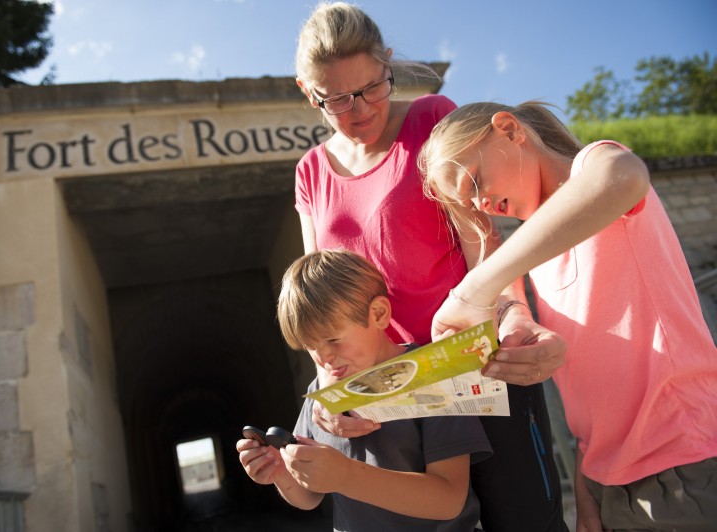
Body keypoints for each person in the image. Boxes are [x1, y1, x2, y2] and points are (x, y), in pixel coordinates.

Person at [292, 3, 569, 530]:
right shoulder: (310, 173)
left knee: (526, 520)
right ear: (310, 94)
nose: (363, 108)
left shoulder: (432, 118)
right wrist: (329, 392)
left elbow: (483, 242)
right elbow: (318, 303)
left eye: (375, 86)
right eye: (338, 99)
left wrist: (515, 314)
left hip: (479, 367)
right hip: (394, 397)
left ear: (388, 65)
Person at [419, 100, 717, 531]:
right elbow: (592, 393)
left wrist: (473, 288)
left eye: (475, 181)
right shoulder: (540, 253)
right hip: (611, 483)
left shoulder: (593, 165)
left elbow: (623, 175)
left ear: (509, 130)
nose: (483, 204)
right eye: (471, 203)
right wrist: (587, 485)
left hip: (684, 461)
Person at [237, 249, 493, 531]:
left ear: (379, 314)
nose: (324, 358)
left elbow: (450, 499)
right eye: (311, 347)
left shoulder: (433, 374)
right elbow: (309, 498)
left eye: (333, 339)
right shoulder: (321, 396)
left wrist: (346, 476)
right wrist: (280, 473)